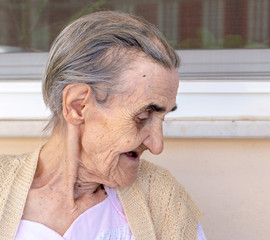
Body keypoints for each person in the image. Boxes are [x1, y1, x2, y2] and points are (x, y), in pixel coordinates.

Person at [0, 11, 206, 240]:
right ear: (78, 106)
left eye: (162, 118)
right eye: (143, 116)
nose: (157, 145)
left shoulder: (162, 199)